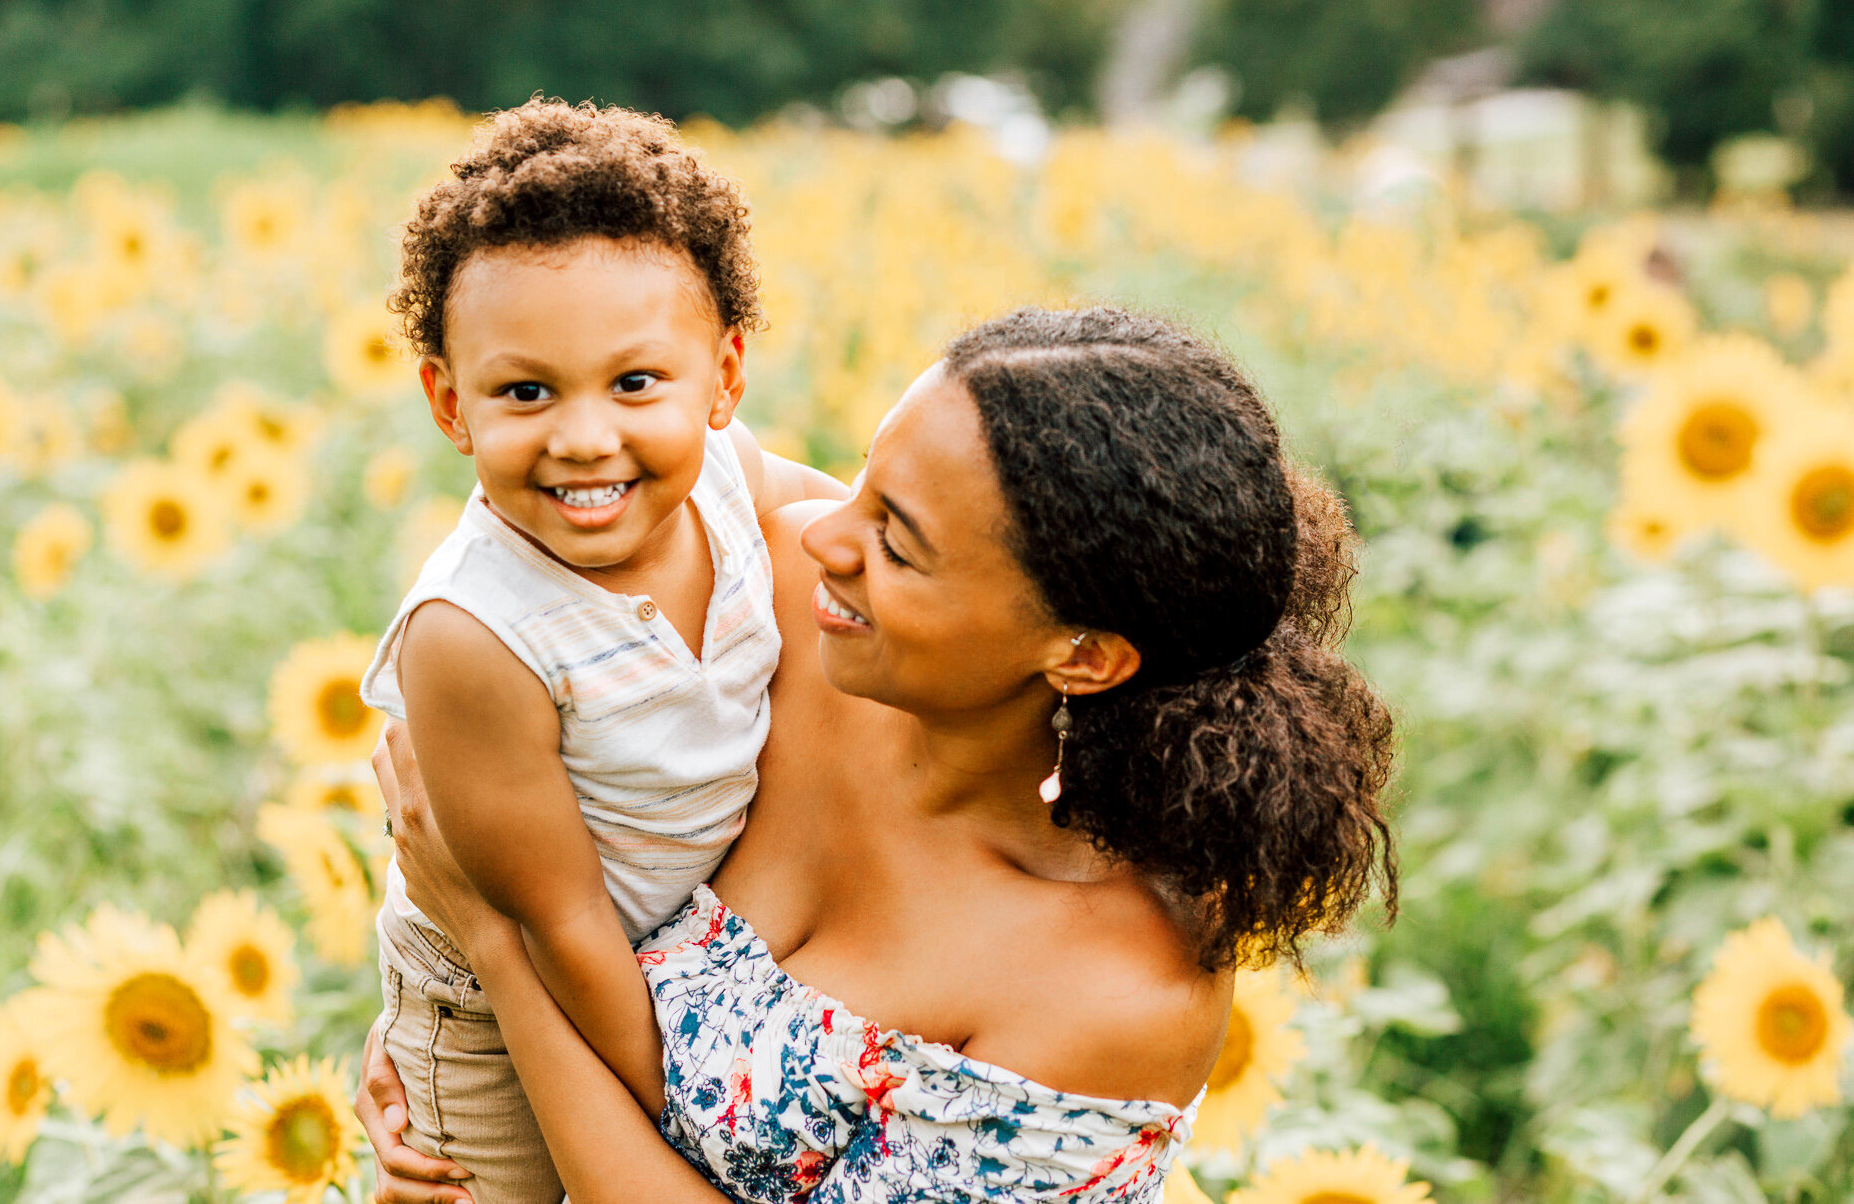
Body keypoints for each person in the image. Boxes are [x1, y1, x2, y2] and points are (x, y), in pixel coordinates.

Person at [366, 306, 1398, 1203]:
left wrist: (495, 948)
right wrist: (440, 1063)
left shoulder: (1113, 991)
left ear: (1080, 653)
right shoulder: (765, 616)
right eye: (862, 476)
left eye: (895, 541)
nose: (822, 534)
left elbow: (512, 911)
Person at [362, 98, 843, 1203]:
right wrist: (681, 1116)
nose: (584, 438)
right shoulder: (477, 634)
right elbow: (559, 918)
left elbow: (851, 528)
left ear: (722, 377)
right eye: (525, 392)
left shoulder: (729, 480)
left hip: (670, 958)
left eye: (634, 383)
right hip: (495, 996)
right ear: (449, 401)